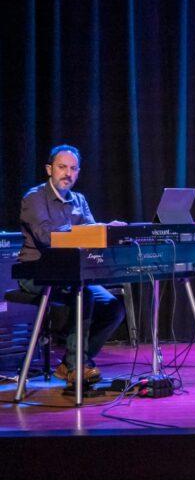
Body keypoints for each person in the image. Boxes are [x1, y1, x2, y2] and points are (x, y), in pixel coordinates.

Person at [18, 144, 126, 386]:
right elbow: (47, 237)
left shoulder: (79, 199)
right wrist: (86, 231)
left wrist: (107, 231)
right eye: (62, 167)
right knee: (83, 295)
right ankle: (77, 366)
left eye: (73, 168)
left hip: (71, 273)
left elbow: (92, 237)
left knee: (113, 307)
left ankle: (70, 364)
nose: (68, 173)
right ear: (49, 169)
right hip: (36, 272)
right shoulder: (34, 198)